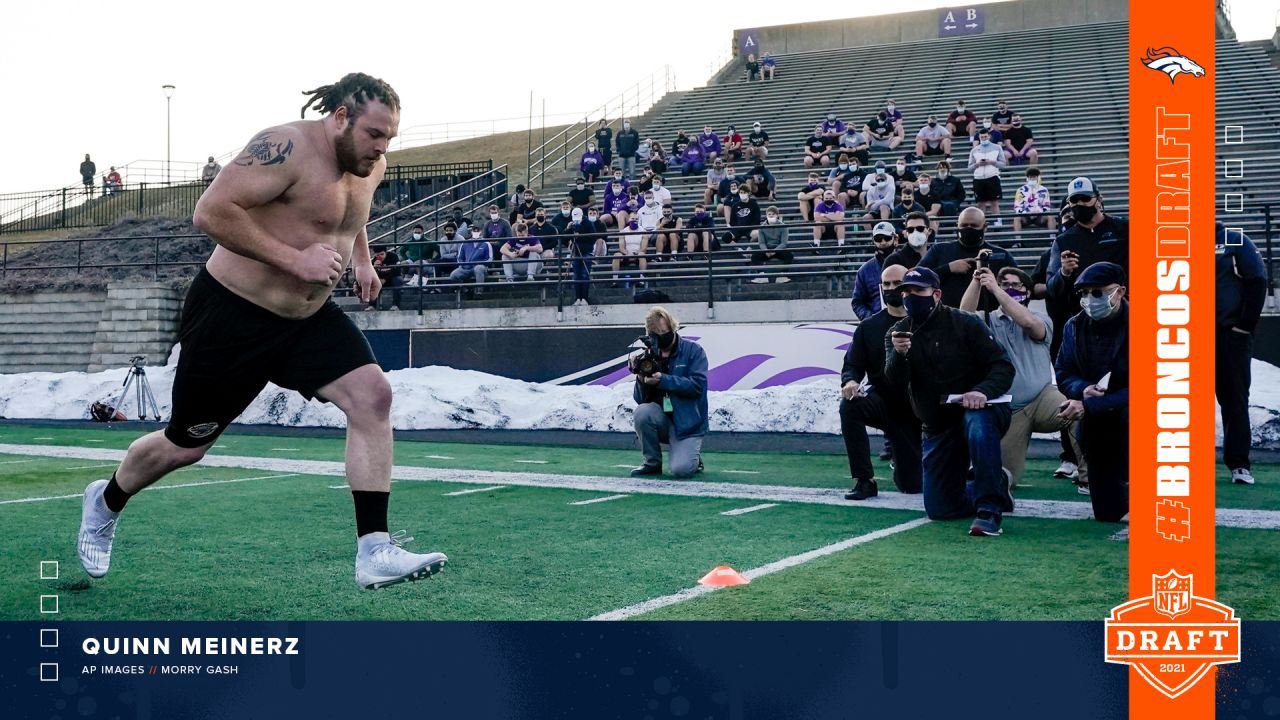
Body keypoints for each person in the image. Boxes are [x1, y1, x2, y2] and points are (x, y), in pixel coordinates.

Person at [75, 73, 447, 589]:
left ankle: (374, 550)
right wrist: (295, 259)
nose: (382, 148)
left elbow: (349, 213)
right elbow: (211, 212)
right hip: (233, 315)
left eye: (389, 137)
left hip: (305, 319)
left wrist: (362, 260)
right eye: (374, 135)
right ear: (340, 117)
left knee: (373, 396)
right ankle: (107, 499)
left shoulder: (370, 163)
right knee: (186, 446)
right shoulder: (285, 147)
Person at [884, 267, 1015, 536]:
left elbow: (1002, 366)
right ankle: (994, 485)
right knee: (939, 508)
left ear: (936, 294)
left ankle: (989, 510)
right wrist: (899, 356)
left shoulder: (966, 323)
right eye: (905, 291)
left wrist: (982, 391)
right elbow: (894, 383)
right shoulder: (897, 334)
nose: (910, 296)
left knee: (977, 424)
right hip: (938, 423)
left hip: (980, 409)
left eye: (918, 291)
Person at [960, 266, 1084, 490]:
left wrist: (997, 290)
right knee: (1005, 476)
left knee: (1077, 412)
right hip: (1010, 409)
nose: (1009, 288)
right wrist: (976, 281)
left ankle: (1089, 477)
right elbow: (964, 315)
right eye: (1004, 283)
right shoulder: (988, 319)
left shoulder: (1040, 317)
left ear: (1028, 292)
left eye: (1016, 285)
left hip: (1043, 397)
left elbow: (1029, 325)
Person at [841, 262, 923, 500]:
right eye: (886, 284)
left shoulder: (927, 322)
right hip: (884, 403)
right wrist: (850, 382)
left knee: (912, 485)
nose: (890, 288)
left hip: (920, 409)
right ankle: (864, 480)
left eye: (897, 283)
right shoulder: (869, 327)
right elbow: (853, 364)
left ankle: (909, 462)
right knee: (850, 406)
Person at [1056, 262, 1129, 522]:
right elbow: (1063, 372)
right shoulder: (1074, 326)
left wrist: (1090, 405)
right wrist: (1083, 389)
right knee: (1108, 512)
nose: (1089, 300)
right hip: (1098, 418)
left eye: (1097, 292)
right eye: (1084, 293)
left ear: (1119, 292)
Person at [630, 307, 709, 478]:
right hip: (663, 419)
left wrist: (664, 380)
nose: (660, 336)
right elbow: (639, 399)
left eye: (663, 332)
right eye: (655, 334)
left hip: (688, 422)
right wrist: (641, 378)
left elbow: (697, 386)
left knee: (682, 470)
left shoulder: (693, 351)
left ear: (673, 328)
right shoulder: (649, 356)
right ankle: (652, 463)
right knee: (642, 413)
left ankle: (693, 458)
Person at [1216, 223, 1267, 485]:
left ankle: (1239, 464)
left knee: (1234, 399)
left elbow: (1257, 279)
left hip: (1228, 335)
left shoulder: (1233, 240)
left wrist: (1244, 326)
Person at [1046, 177, 1129, 306]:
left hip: (1125, 308)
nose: (1080, 204)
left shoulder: (1124, 228)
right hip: (1084, 311)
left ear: (1099, 199)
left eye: (1085, 199)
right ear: (1069, 203)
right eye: (1074, 200)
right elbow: (1051, 288)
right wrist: (1063, 273)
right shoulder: (1063, 240)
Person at [920, 206, 1018, 311]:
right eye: (964, 225)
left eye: (974, 225)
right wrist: (948, 268)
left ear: (985, 227)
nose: (968, 228)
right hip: (947, 319)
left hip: (990, 319)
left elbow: (1019, 286)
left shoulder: (1000, 255)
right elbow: (917, 277)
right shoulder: (939, 250)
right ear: (957, 225)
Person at [851, 222, 899, 318]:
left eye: (887, 238)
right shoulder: (864, 270)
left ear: (895, 239)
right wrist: (871, 319)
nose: (883, 242)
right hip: (878, 322)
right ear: (873, 241)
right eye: (878, 239)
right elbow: (857, 302)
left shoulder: (907, 263)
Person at [967, 128, 1006, 223]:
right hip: (979, 178)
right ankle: (981, 222)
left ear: (989, 136)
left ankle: (998, 222)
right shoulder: (974, 150)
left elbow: (1003, 164)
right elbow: (969, 168)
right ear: (979, 138)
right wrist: (977, 164)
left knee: (994, 202)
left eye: (985, 136)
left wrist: (992, 162)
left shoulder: (997, 147)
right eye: (982, 137)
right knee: (980, 203)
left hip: (992, 177)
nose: (984, 138)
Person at [571, 208, 607, 306]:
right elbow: (566, 237)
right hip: (576, 253)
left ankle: (585, 298)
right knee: (576, 276)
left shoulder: (588, 223)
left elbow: (593, 237)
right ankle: (577, 298)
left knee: (585, 275)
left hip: (586, 252)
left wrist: (580, 235)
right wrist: (569, 229)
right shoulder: (572, 224)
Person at [749, 206, 793, 283]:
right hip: (767, 248)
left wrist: (775, 251)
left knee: (789, 256)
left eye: (773, 214)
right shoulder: (762, 227)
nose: (771, 216)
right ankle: (761, 276)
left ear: (777, 215)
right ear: (766, 215)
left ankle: (782, 275)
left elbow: (784, 243)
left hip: (779, 248)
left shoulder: (783, 226)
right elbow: (761, 243)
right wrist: (766, 251)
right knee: (754, 257)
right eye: (769, 214)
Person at [1012, 167, 1056, 241]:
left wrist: (1038, 212)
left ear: (1038, 177)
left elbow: (1047, 205)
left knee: (1051, 217)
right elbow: (1017, 206)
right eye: (1030, 177)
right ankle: (1018, 241)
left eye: (1034, 177)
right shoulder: (1020, 190)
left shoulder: (1044, 190)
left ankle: (1053, 240)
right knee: (1016, 218)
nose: (1032, 179)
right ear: (1027, 178)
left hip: (1040, 215)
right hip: (1025, 216)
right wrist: (1027, 213)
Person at [369, 246, 404, 310]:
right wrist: (375, 268)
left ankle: (395, 305)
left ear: (386, 252)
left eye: (382, 254)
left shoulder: (393, 257)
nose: (380, 257)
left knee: (397, 280)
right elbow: (371, 275)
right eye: (377, 255)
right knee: (372, 282)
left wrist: (385, 279)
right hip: (380, 280)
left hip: (392, 279)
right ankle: (372, 305)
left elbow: (397, 271)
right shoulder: (374, 260)